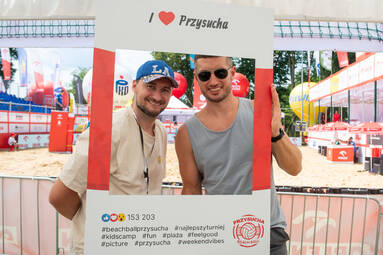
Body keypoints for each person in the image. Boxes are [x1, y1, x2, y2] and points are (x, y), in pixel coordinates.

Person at [175, 55, 302, 255]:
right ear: (196, 77)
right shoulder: (186, 133)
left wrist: (275, 131)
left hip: (267, 232)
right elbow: (191, 191)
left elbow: (294, 167)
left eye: (220, 73)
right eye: (205, 75)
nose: (213, 81)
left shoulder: (257, 111)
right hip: (219, 235)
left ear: (232, 72)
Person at [49, 60, 178, 255]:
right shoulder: (107, 131)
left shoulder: (161, 131)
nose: (157, 96)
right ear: (134, 86)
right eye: (150, 86)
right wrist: (94, 224)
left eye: (165, 90)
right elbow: (59, 196)